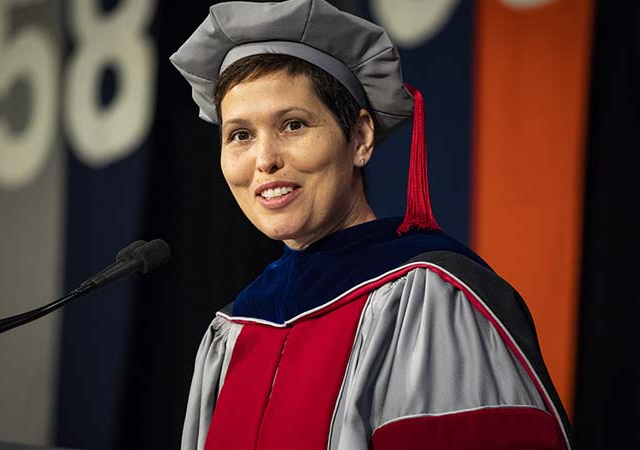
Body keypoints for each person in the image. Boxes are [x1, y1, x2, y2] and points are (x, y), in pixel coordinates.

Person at [170, 1, 573, 449]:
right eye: (240, 135)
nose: (265, 161)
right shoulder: (235, 330)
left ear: (360, 139)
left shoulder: (427, 301)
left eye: (293, 124)